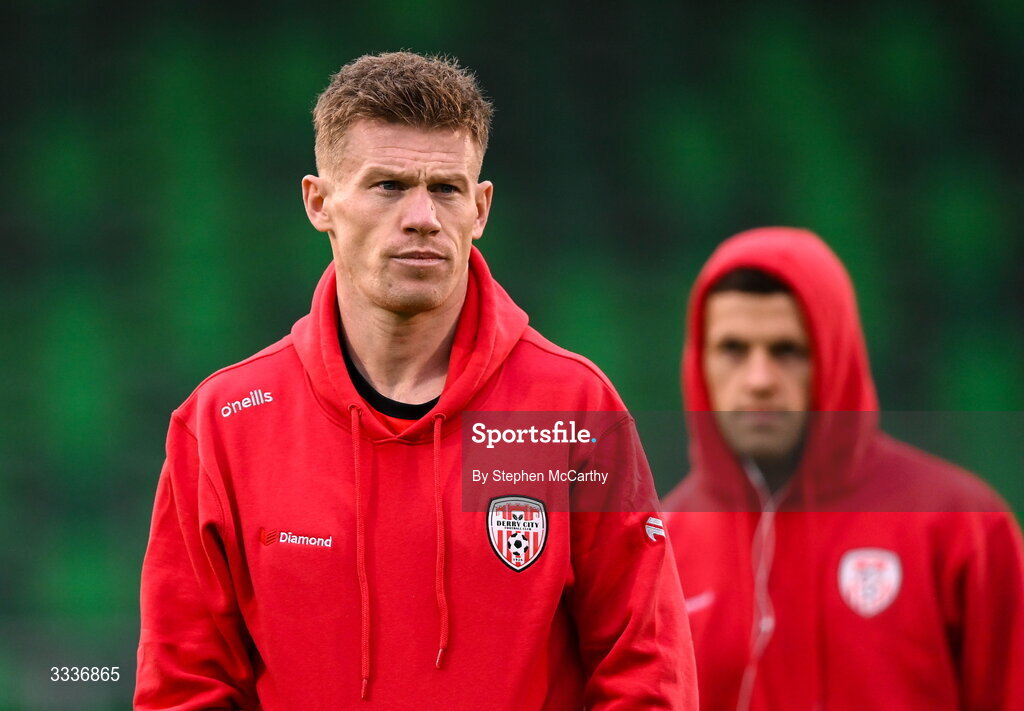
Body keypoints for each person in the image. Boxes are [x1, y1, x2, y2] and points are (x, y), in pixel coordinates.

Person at [135, 51, 696, 710]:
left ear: (480, 209)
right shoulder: (226, 424)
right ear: (319, 202)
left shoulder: (567, 407)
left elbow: (646, 671)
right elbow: (185, 687)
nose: (423, 216)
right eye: (389, 185)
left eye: (447, 189)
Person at [662, 227, 1024, 710]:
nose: (759, 380)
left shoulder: (962, 525)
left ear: (837, 354)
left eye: (787, 350)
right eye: (733, 349)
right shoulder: (660, 548)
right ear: (697, 361)